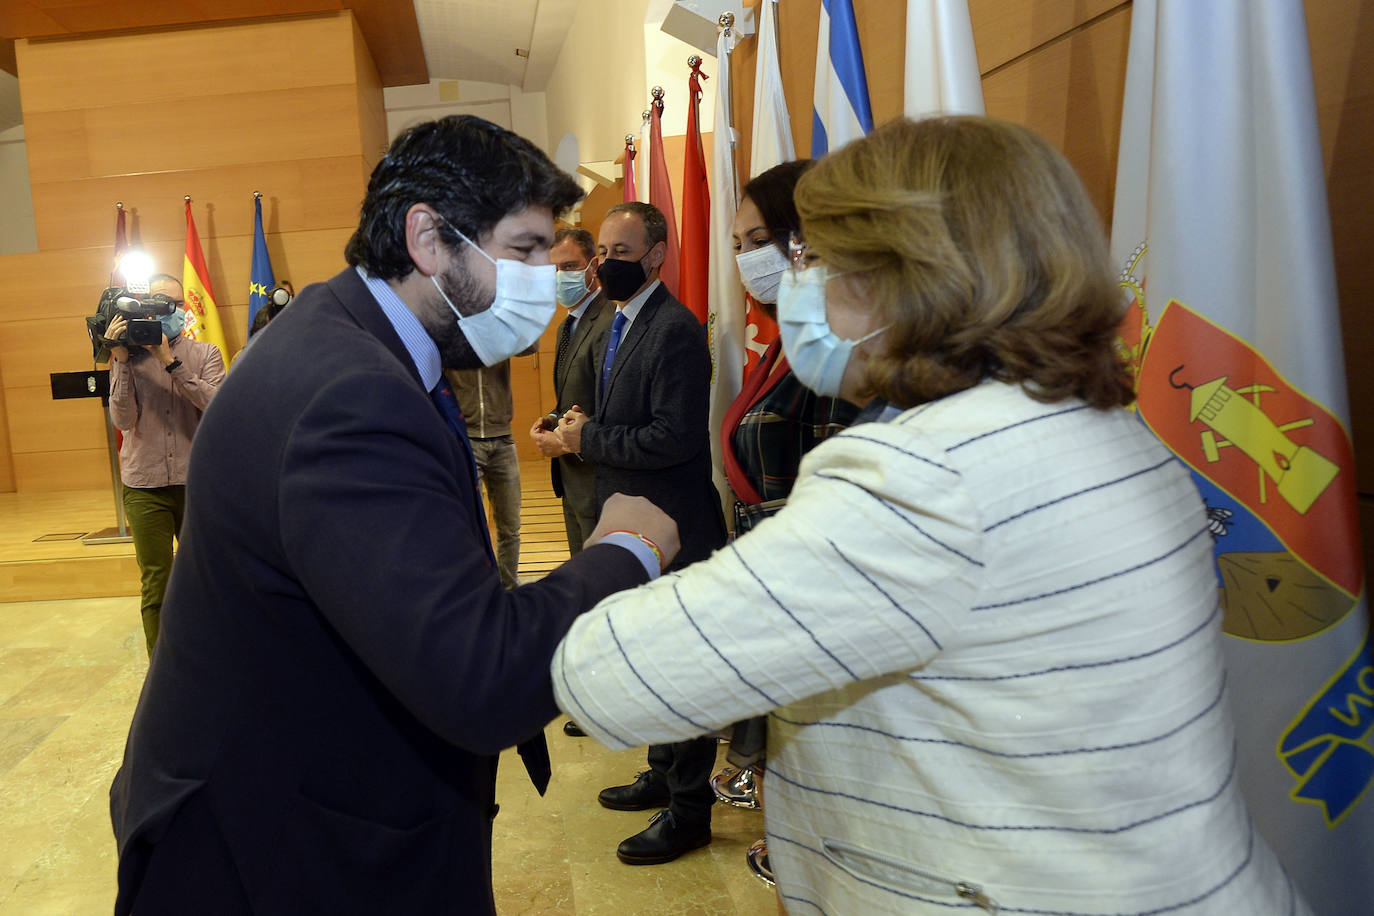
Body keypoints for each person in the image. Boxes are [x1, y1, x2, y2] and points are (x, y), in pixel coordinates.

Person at [552, 117, 1311, 915]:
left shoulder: (927, 475)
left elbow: (618, 678)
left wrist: (625, 546)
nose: (798, 281)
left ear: (906, 277)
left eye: (815, 259)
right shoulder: (1109, 428)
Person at [109, 115, 680, 916]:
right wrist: (627, 549)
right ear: (427, 238)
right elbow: (482, 677)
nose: (538, 286)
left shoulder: (351, 339)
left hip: (307, 798)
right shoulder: (348, 393)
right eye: (519, 252)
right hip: (274, 849)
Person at [554, 201, 728, 865]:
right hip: (631, 522)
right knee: (649, 657)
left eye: (620, 253)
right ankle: (661, 772)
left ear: (656, 256)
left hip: (674, 527)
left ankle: (690, 812)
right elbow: (616, 410)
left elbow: (674, 437)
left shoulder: (675, 329)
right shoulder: (619, 320)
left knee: (679, 670)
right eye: (601, 250)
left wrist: (587, 437)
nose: (605, 264)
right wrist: (574, 423)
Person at [713, 159, 861, 878]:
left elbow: (835, 504)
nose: (747, 259)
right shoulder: (783, 341)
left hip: (811, 604)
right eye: (738, 243)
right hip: (771, 592)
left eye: (761, 238)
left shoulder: (836, 353)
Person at [105, 274, 225, 655]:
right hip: (145, 486)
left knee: (205, 578)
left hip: (196, 483)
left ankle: (211, 658)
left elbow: (217, 406)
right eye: (155, 301)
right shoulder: (127, 358)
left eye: (170, 303)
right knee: (156, 581)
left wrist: (170, 363)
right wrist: (122, 362)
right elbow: (123, 421)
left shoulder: (206, 354)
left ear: (184, 309)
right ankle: (163, 668)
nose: (163, 309)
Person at [531, 227, 610, 557]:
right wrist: (552, 417)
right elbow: (576, 395)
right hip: (573, 484)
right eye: (553, 270)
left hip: (599, 483)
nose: (560, 276)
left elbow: (610, 406)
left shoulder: (610, 319)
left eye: (569, 267)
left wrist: (561, 442)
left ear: (593, 266)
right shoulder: (568, 324)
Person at [448, 352, 534, 589]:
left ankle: (509, 586)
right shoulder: (449, 328)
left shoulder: (496, 322)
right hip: (466, 440)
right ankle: (477, 590)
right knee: (469, 524)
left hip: (503, 439)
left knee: (510, 524)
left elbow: (531, 344)